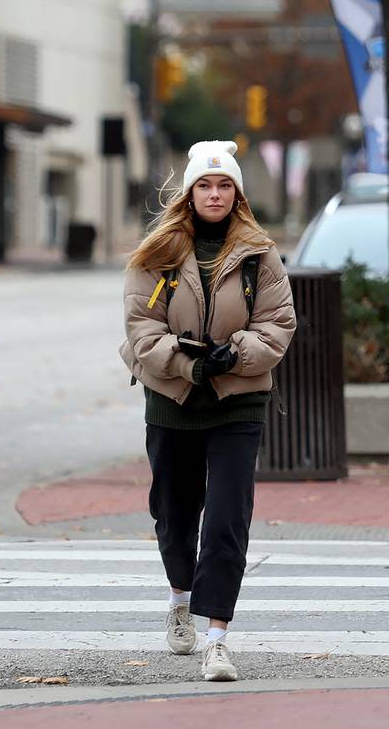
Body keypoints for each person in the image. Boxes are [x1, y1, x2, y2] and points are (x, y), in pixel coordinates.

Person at [119, 140, 296, 681]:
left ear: (237, 194)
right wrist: (187, 364)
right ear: (190, 192)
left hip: (238, 399)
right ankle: (180, 597)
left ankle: (218, 637)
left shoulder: (259, 254)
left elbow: (278, 323)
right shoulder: (157, 253)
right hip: (172, 398)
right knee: (174, 514)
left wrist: (234, 354)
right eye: (205, 184)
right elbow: (141, 327)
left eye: (224, 185)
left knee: (225, 520)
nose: (215, 193)